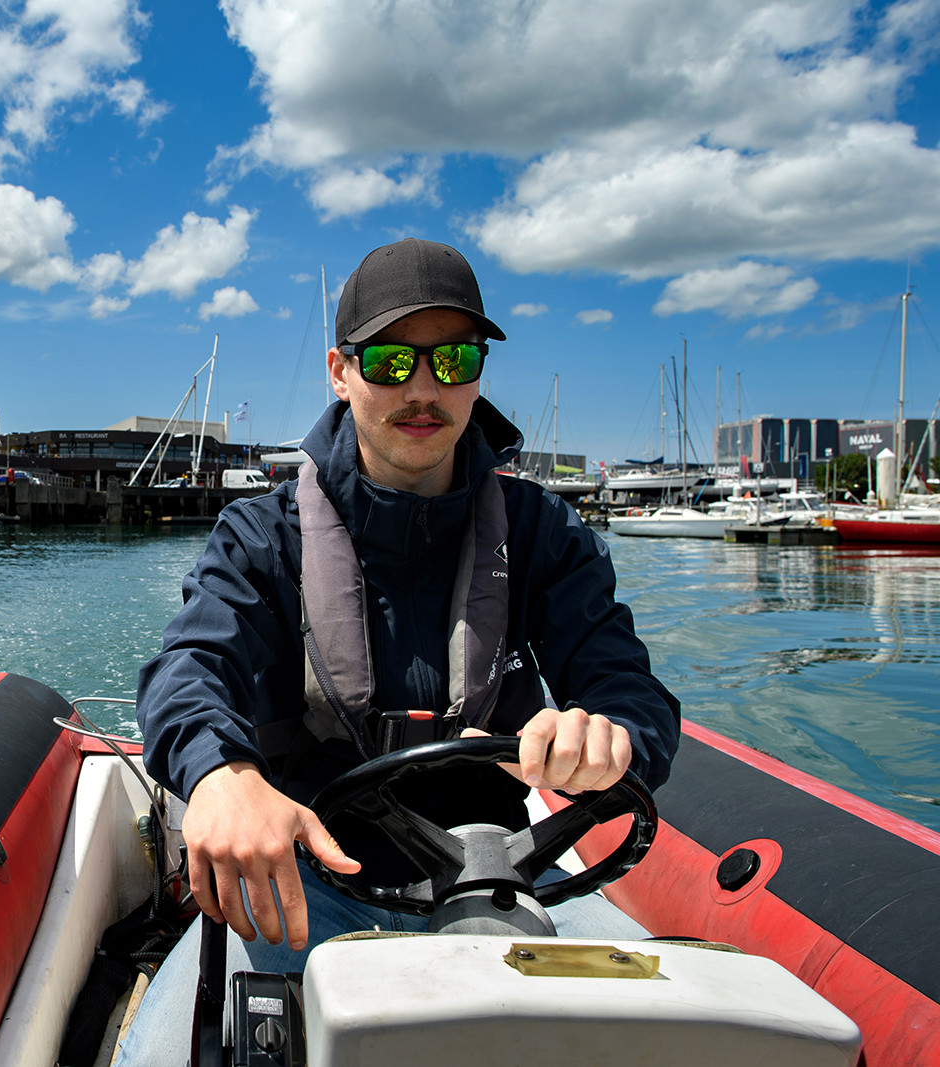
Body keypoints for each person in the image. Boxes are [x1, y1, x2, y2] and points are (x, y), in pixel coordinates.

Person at [116, 237, 680, 1063]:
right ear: (341, 372)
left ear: (478, 373)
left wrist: (613, 735)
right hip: (301, 886)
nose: (423, 389)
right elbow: (189, 669)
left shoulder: (543, 533)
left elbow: (631, 690)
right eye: (389, 360)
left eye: (453, 359)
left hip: (506, 881)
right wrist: (220, 773)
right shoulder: (262, 537)